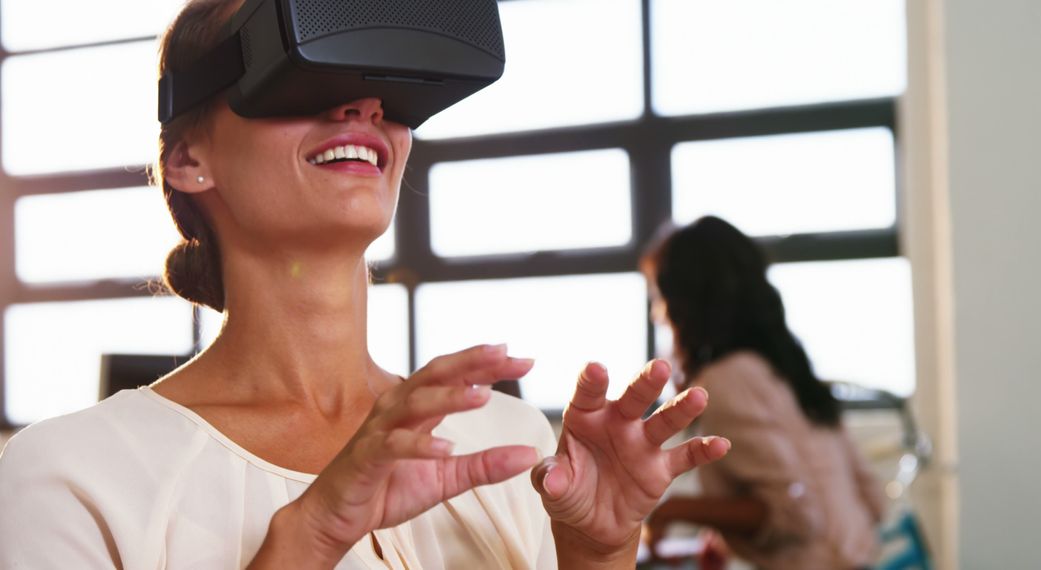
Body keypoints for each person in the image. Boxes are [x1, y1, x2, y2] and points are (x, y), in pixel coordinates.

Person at [0, 1, 731, 568]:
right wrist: (308, 540)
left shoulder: (505, 441)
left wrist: (596, 554)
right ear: (190, 158)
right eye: (303, 75)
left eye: (381, 86)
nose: (362, 108)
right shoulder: (73, 473)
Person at [641, 216, 886, 570]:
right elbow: (871, 499)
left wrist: (673, 510)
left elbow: (793, 512)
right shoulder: (782, 368)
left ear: (685, 300)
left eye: (657, 296)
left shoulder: (726, 379)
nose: (656, 314)